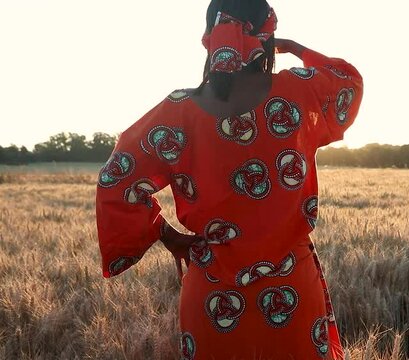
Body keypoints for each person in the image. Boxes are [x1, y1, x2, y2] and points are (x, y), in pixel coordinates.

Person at [95, 0, 363, 358]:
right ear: (267, 36)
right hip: (291, 288)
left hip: (212, 293)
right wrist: (294, 47)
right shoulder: (299, 92)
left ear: (209, 38)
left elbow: (116, 178)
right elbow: (347, 80)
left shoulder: (177, 111)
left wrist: (168, 235)